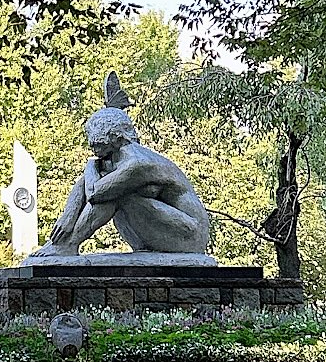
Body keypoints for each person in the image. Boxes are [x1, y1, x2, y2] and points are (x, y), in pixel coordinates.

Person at [32, 107, 210, 256]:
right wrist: (67, 217)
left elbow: (95, 193)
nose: (91, 146)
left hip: (190, 235)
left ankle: (68, 245)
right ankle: (61, 243)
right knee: (114, 191)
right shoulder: (115, 157)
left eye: (96, 143)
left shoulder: (137, 163)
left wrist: (90, 166)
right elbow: (83, 185)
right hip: (164, 227)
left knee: (117, 195)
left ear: (114, 138)